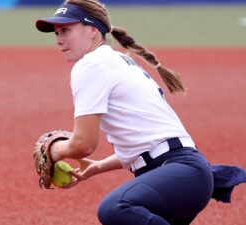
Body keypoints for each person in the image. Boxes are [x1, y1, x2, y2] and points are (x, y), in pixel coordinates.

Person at [35, 1, 245, 224]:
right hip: (184, 172)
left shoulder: (91, 65)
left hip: (178, 171)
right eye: (57, 33)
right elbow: (148, 142)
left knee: (115, 208)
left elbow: (83, 144)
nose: (59, 39)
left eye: (66, 30)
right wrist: (97, 167)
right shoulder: (118, 60)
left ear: (93, 30)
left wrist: (54, 150)